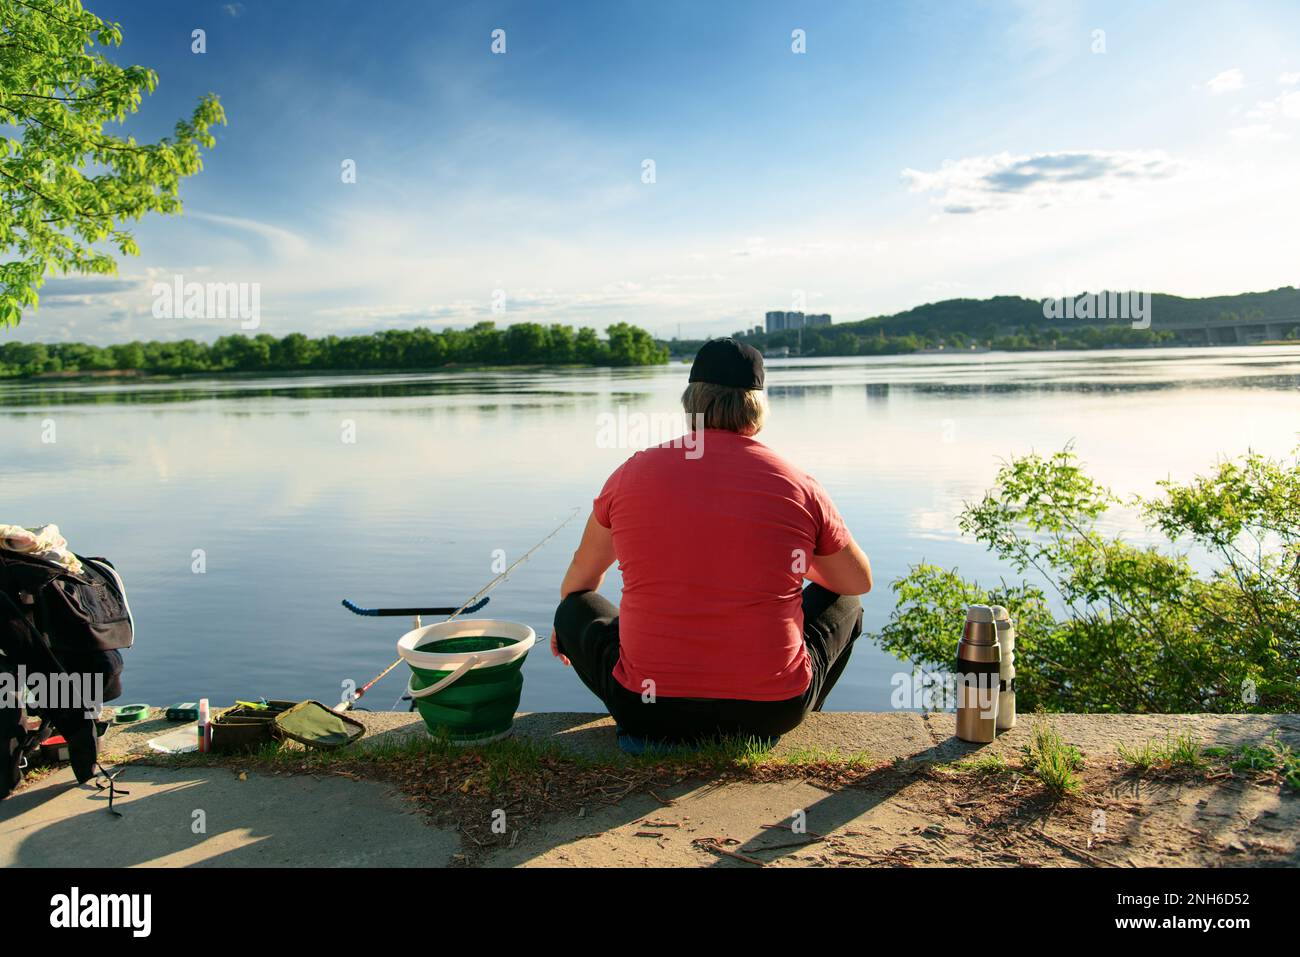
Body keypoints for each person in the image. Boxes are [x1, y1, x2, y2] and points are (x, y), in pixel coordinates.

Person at [551, 337, 872, 744]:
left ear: (690, 406)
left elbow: (579, 582)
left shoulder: (632, 475)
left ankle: (648, 722)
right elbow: (856, 582)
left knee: (574, 609)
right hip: (771, 712)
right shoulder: (798, 483)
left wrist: (568, 628)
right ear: (757, 408)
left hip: (647, 709)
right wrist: (783, 557)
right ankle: (793, 710)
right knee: (844, 601)